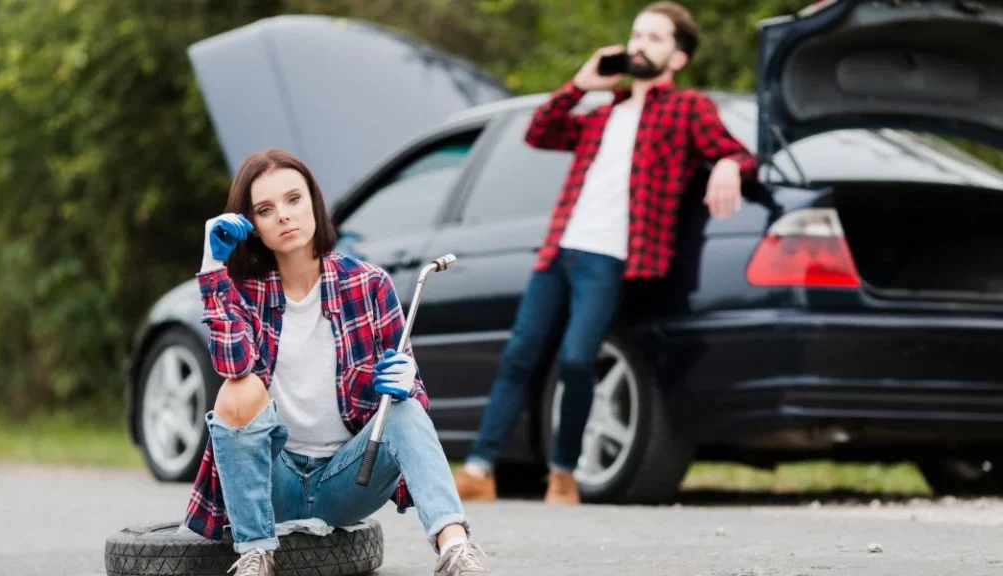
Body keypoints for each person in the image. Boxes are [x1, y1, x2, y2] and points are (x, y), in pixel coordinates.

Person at [452, 1, 757, 504]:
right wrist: (579, 85)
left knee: (576, 360)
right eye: (637, 34)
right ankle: (481, 470)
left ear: (677, 58)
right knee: (519, 356)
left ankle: (563, 474)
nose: (640, 44)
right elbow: (540, 131)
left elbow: (740, 153)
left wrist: (728, 165)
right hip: (559, 251)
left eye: (655, 38)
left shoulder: (688, 109)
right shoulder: (604, 110)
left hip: (611, 258)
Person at [181, 149, 491, 576]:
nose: (284, 216)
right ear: (252, 226)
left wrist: (408, 384)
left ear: (314, 202)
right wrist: (213, 267)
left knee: (404, 407)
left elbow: (412, 399)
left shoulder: (368, 283)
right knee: (239, 388)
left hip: (350, 478)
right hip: (275, 481)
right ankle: (255, 554)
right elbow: (231, 363)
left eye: (294, 200)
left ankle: (456, 550)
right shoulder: (245, 291)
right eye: (266, 210)